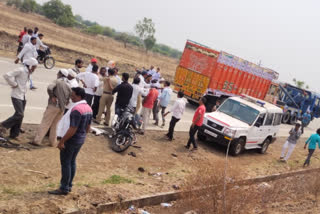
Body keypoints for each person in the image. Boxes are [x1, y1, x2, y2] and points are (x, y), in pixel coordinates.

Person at [49, 87, 92, 195]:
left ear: (79, 96)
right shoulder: (88, 108)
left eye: (73, 95)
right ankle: (69, 184)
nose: (71, 97)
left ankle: (64, 188)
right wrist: (83, 136)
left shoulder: (77, 110)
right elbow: (88, 126)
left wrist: (62, 141)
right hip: (80, 139)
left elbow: (73, 128)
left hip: (71, 140)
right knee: (72, 162)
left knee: (66, 163)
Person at [29, 69, 71, 146]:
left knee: (45, 123)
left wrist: (53, 96)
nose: (57, 74)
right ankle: (53, 142)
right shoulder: (68, 84)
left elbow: (49, 88)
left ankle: (37, 140)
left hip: (53, 105)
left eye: (58, 73)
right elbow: (70, 95)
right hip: (62, 108)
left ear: (61, 74)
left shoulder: (57, 81)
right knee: (55, 125)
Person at [0, 58, 38, 139]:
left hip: (23, 96)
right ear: (30, 65)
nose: (35, 69)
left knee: (20, 116)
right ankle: (3, 125)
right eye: (34, 67)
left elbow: (25, 82)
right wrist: (14, 84)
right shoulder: (21, 70)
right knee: (19, 114)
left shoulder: (29, 72)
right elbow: (7, 75)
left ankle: (14, 134)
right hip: (16, 95)